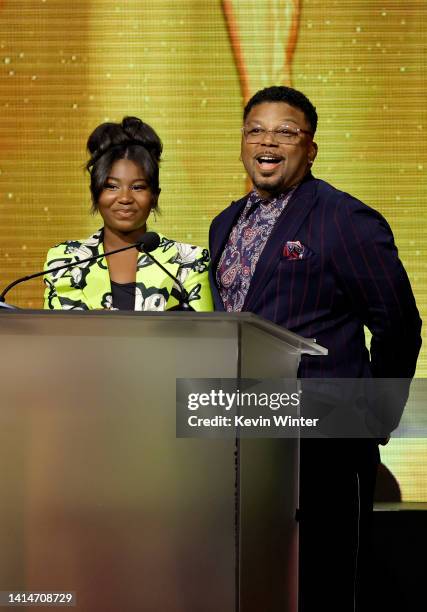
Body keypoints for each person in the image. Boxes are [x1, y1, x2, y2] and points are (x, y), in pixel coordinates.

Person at [209, 86, 422, 610]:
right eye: (256, 129)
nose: (268, 142)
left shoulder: (344, 220)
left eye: (286, 132)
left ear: (311, 148)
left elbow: (399, 324)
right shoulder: (224, 224)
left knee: (323, 582)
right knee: (253, 579)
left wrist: (374, 414)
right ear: (242, 141)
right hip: (246, 438)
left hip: (325, 437)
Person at [44, 117, 213, 312]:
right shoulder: (64, 260)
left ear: (155, 196)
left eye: (137, 187)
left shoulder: (188, 261)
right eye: (112, 186)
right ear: (96, 192)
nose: (125, 198)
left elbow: (203, 336)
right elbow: (54, 335)